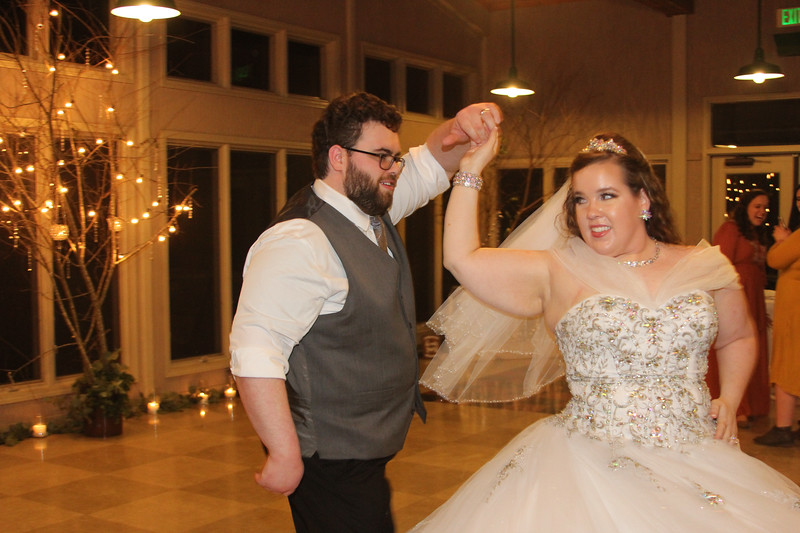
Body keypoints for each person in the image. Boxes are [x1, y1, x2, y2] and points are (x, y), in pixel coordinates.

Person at [411, 132, 800, 532]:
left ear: (643, 200)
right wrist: (471, 171)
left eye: (607, 196)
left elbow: (738, 336)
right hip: (588, 466)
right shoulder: (556, 270)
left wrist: (731, 399)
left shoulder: (704, 265)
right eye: (581, 199)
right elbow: (461, 259)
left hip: (697, 453)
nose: (591, 211)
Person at [229, 91, 502, 533]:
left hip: (359, 453)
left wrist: (457, 130)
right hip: (331, 457)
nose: (394, 168)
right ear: (338, 157)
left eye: (394, 157)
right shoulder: (301, 240)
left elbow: (431, 163)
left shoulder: (368, 205)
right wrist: (282, 451)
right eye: (382, 157)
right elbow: (255, 349)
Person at [707, 189, 772, 424]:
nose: (762, 212)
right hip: (735, 296)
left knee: (752, 351)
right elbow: (719, 266)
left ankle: (753, 404)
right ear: (745, 207)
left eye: (765, 207)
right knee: (731, 346)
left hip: (753, 297)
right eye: (757, 206)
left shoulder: (755, 234)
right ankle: (736, 405)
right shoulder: (730, 230)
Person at [755, 184, 800, 447]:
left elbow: (775, 259)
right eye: (797, 199)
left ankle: (783, 427)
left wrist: (782, 240)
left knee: (786, 366)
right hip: (792, 310)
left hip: (794, 313)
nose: (799, 203)